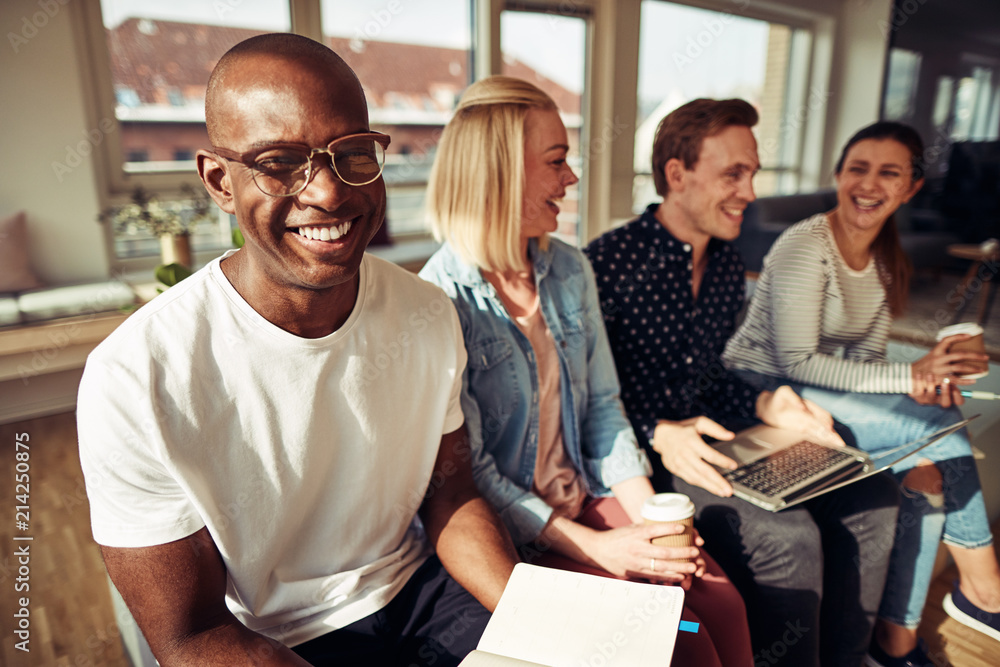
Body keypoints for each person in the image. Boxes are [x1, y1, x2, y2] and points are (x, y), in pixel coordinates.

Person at [77, 34, 520, 667]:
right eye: (280, 162)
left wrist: (537, 615)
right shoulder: (135, 377)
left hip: (420, 593)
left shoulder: (427, 313)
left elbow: (452, 497)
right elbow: (191, 637)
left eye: (353, 154)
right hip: (269, 640)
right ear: (219, 182)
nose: (329, 193)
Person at [419, 76, 752, 667]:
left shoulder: (570, 268)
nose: (571, 177)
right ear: (498, 172)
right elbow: (474, 475)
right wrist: (602, 547)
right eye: (556, 161)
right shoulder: (439, 299)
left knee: (724, 607)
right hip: (519, 533)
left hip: (590, 494)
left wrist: (651, 521)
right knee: (684, 646)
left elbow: (603, 409)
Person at [584, 98, 901, 667]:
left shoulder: (728, 263)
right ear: (677, 176)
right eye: (734, 173)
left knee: (873, 493)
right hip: (641, 458)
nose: (750, 192)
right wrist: (656, 430)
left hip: (717, 434)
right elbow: (582, 404)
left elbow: (705, 376)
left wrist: (769, 402)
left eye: (751, 173)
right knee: (789, 538)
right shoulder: (606, 266)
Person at [722, 120, 1000, 666]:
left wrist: (929, 380)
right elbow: (795, 361)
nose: (869, 184)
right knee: (928, 425)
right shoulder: (806, 246)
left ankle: (895, 641)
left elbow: (865, 364)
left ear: (910, 188)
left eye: (888, 172)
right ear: (838, 175)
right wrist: (912, 377)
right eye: (858, 168)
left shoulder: (881, 259)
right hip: (759, 391)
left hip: (816, 390)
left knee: (927, 461)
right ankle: (984, 589)